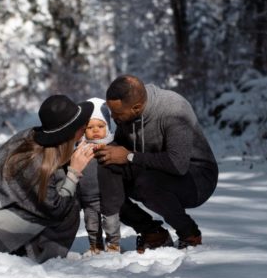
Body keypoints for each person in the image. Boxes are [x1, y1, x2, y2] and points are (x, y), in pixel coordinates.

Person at [0, 94, 96, 263]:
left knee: (64, 187)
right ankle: (34, 254)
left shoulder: (30, 135)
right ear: (69, 134)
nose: (85, 129)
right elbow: (57, 210)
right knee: (70, 209)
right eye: (82, 127)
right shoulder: (38, 164)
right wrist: (74, 172)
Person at [93, 74, 218, 252]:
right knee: (99, 178)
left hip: (197, 178)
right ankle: (153, 233)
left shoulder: (174, 109)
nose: (112, 117)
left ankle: (189, 234)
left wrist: (129, 156)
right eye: (111, 111)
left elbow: (178, 164)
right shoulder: (126, 113)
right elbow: (121, 149)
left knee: (147, 183)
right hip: (150, 169)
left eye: (117, 113)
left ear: (136, 107)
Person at [76, 98, 121, 254]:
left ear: (108, 126)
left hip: (109, 194)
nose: (95, 130)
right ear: (83, 129)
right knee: (91, 224)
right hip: (88, 196)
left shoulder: (113, 146)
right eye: (90, 127)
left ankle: (113, 245)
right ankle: (95, 246)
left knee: (111, 223)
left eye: (100, 126)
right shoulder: (80, 147)